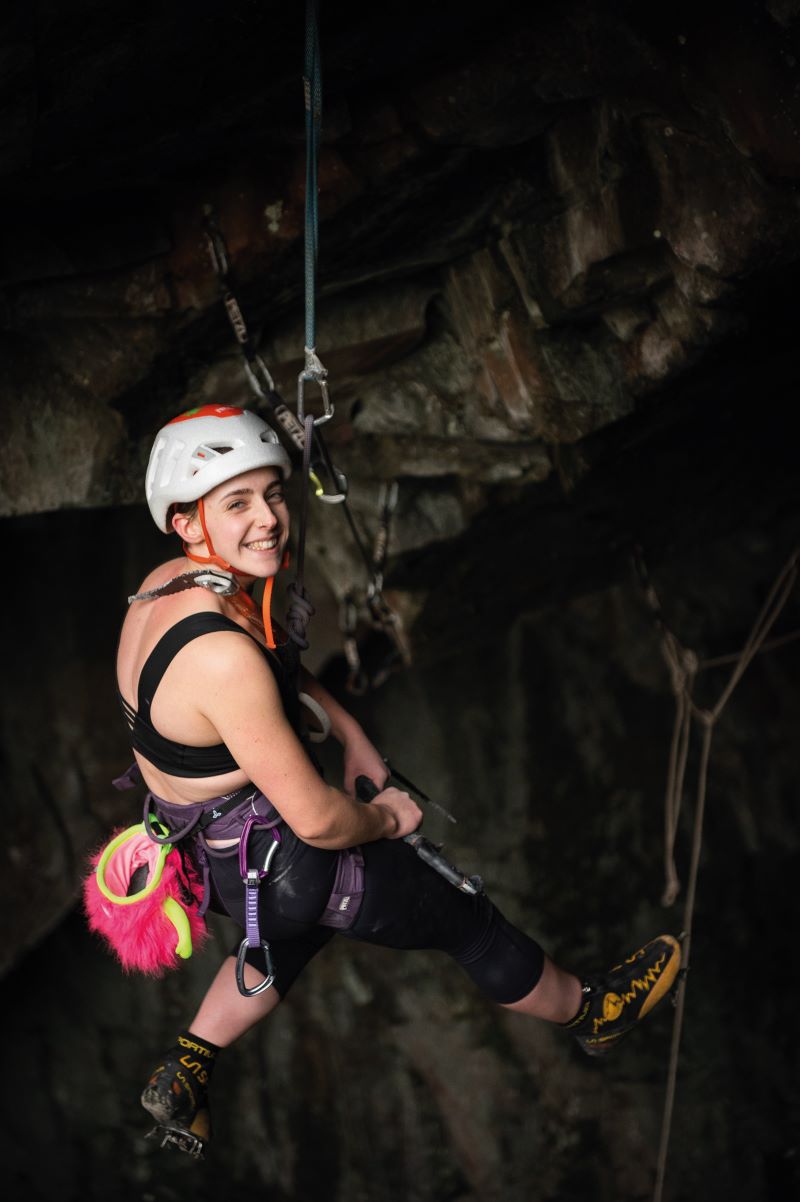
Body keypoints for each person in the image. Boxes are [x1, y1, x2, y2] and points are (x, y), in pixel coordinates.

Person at [116, 404, 681, 1157]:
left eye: (273, 494)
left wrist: (350, 735)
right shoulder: (221, 656)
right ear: (188, 522)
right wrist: (388, 817)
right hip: (285, 859)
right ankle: (593, 1013)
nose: (270, 520)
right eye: (238, 503)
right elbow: (316, 819)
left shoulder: (167, 589)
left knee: (289, 934)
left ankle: (188, 1067)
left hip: (217, 862)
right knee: (464, 922)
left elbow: (271, 672)